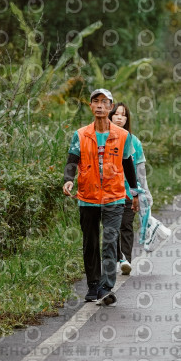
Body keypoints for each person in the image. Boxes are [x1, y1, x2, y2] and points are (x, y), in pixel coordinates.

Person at [63, 89, 140, 306]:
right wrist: (69, 179)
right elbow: (72, 160)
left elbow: (128, 164)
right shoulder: (80, 134)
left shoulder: (123, 136)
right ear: (90, 106)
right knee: (90, 242)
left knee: (109, 241)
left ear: (110, 107)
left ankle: (106, 287)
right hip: (87, 196)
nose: (99, 106)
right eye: (95, 101)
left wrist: (134, 193)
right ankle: (93, 284)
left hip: (114, 197)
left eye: (104, 102)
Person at [108, 102, 154, 275]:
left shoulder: (134, 142)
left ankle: (125, 260)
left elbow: (140, 171)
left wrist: (145, 193)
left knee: (126, 225)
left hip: (129, 192)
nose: (120, 117)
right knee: (112, 227)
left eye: (123, 114)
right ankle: (117, 257)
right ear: (110, 116)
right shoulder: (104, 139)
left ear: (127, 119)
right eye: (116, 114)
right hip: (109, 193)